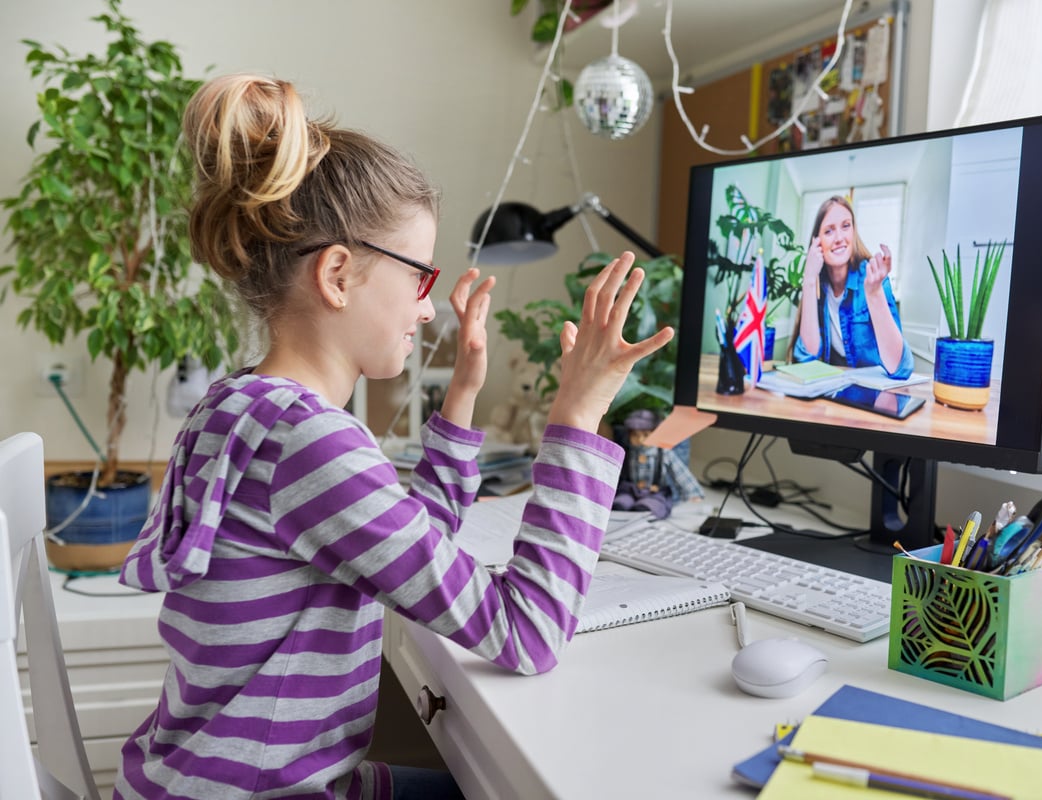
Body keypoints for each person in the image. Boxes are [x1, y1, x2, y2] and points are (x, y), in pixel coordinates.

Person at [113, 73, 673, 800]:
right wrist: (578, 413)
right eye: (419, 276)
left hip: (200, 777)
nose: (428, 307)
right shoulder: (308, 443)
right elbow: (528, 632)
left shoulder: (242, 407)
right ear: (339, 274)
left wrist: (463, 392)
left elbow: (407, 547)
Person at [790, 195, 913, 379]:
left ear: (853, 232)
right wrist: (809, 279)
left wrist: (874, 294)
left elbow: (901, 368)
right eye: (829, 231)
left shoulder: (873, 278)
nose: (839, 238)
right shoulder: (819, 288)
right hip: (836, 395)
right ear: (817, 243)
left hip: (876, 398)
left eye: (846, 226)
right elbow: (807, 358)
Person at [612, 409, 704, 519]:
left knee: (649, 507)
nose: (640, 439)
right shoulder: (627, 452)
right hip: (630, 490)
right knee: (620, 504)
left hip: (655, 492)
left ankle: (643, 510)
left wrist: (693, 492)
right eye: (635, 435)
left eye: (646, 435)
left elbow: (679, 472)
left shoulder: (663, 453)